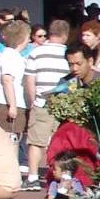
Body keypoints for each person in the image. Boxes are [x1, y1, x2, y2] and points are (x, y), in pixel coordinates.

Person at [23, 19, 71, 182]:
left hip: (42, 102)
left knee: (36, 141)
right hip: (64, 103)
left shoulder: (36, 52)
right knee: (62, 140)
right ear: (65, 35)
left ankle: (32, 176)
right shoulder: (69, 53)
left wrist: (33, 100)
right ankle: (62, 175)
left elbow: (30, 79)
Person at [0, 18, 31, 149]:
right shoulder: (10, 56)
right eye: (28, 37)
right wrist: (12, 106)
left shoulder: (16, 56)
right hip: (7, 104)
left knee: (15, 139)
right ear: (22, 39)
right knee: (10, 142)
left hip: (14, 102)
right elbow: (7, 80)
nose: (29, 40)